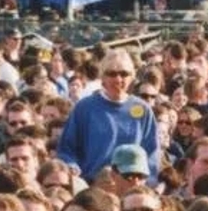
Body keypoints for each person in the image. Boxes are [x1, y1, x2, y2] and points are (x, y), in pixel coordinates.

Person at [56, 51, 159, 182]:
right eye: (112, 74)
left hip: (132, 185)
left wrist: (148, 183)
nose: (118, 79)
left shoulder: (142, 110)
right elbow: (66, 149)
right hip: (93, 185)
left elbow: (152, 153)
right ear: (102, 77)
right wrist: (73, 168)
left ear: (132, 77)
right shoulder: (85, 108)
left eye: (124, 74)